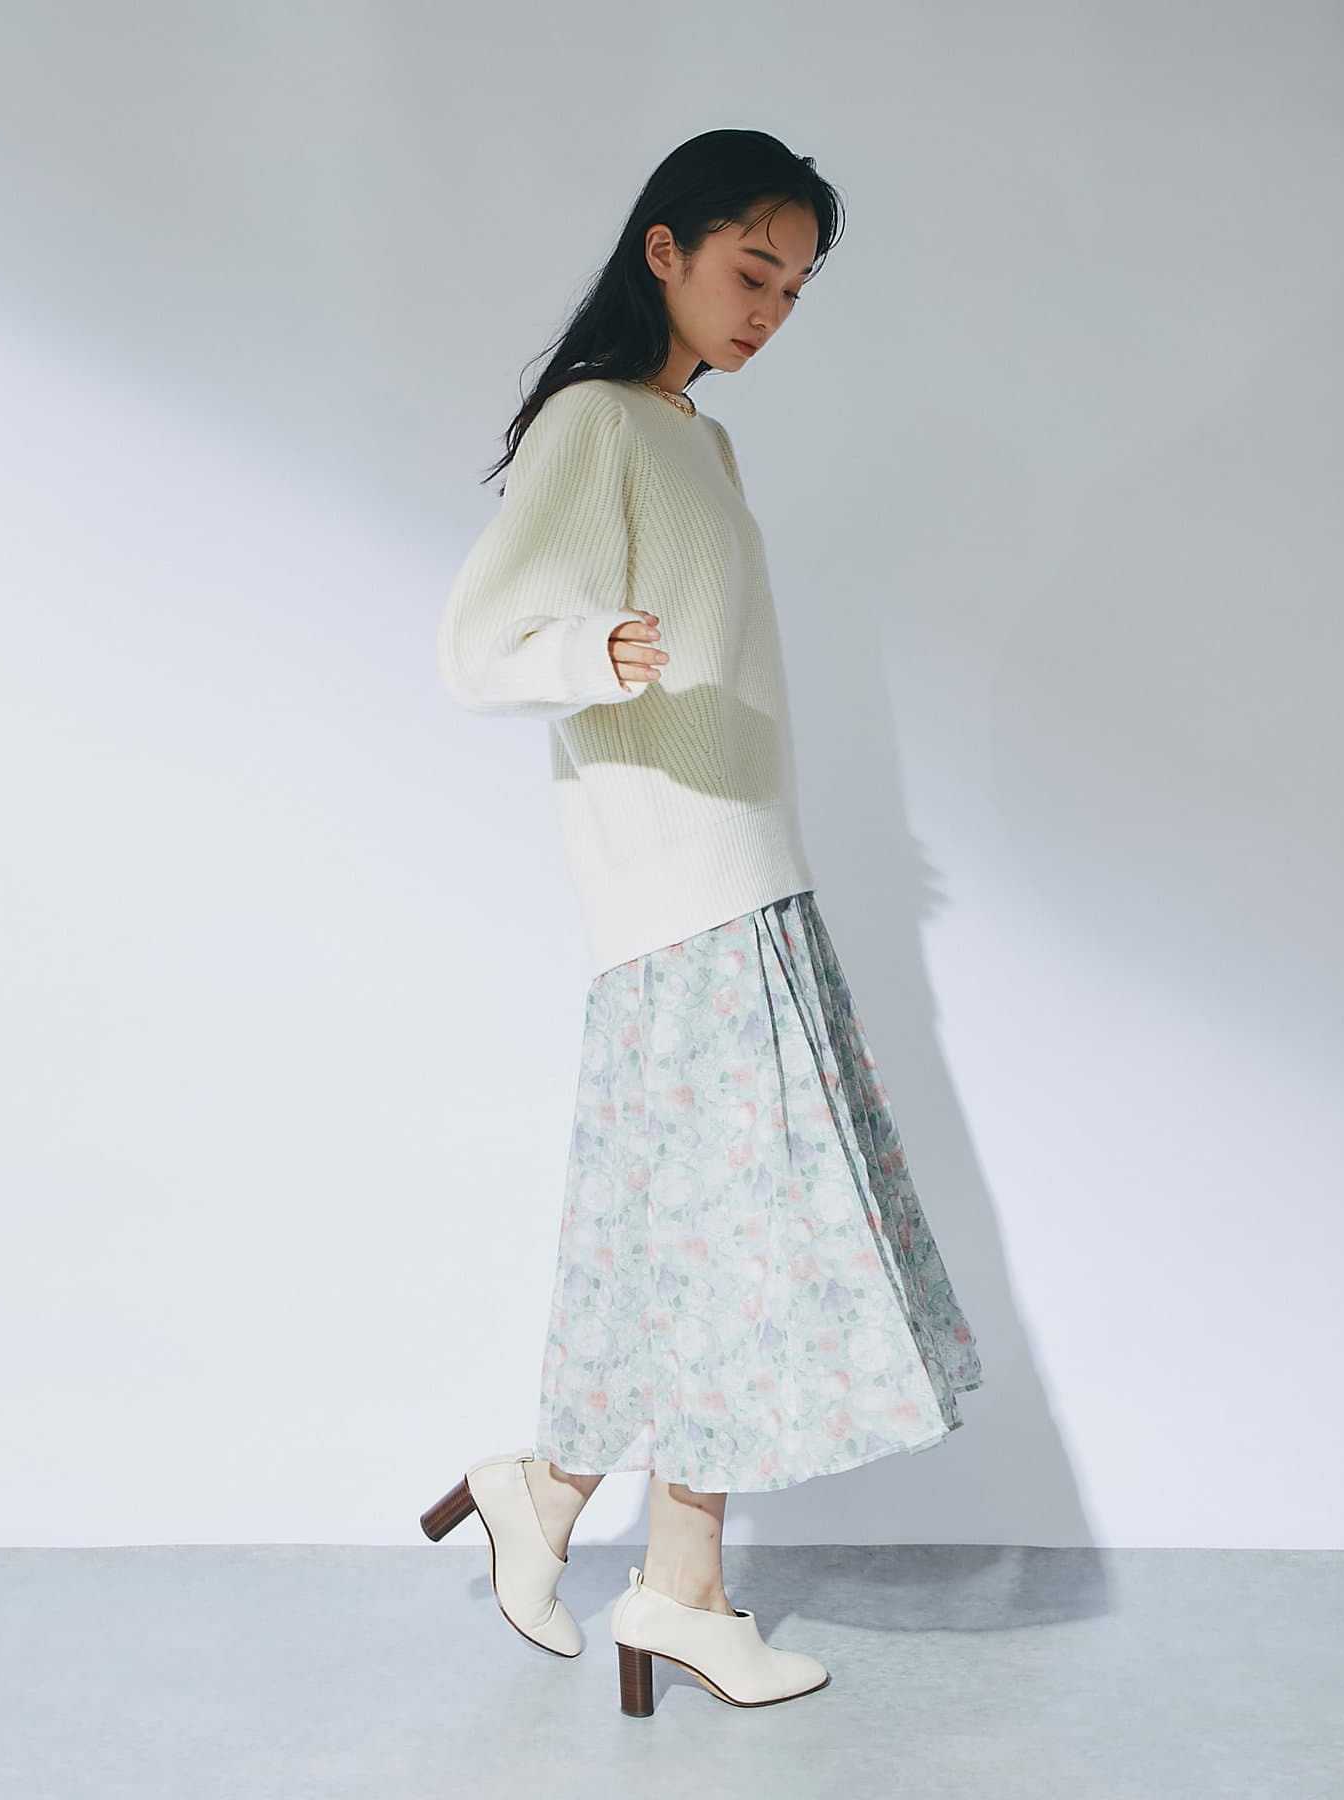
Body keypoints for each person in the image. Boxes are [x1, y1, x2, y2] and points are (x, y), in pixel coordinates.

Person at [420, 128, 982, 1716]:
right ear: (662, 248)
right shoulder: (594, 421)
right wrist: (590, 648)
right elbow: (473, 648)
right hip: (679, 895)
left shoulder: (699, 440)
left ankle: (563, 1503)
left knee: (687, 1243)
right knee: (739, 1249)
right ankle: (674, 1589)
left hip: (745, 877)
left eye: (794, 290)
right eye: (752, 271)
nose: (770, 311)